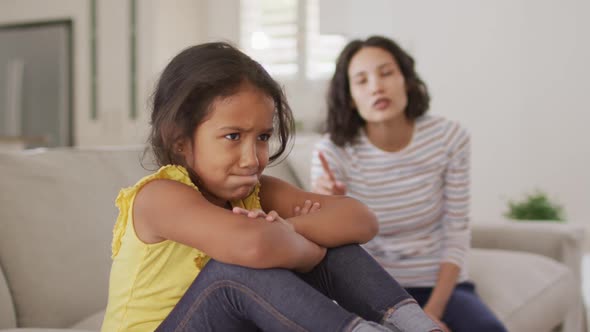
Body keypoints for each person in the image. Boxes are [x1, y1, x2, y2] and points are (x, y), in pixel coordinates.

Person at [100, 42, 441, 332]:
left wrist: (288, 229)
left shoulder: (255, 191)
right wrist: (309, 249)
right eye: (232, 137)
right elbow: (252, 247)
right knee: (233, 270)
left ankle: (418, 326)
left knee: (335, 244)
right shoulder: (160, 196)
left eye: (262, 137)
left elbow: (361, 220)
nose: (252, 158)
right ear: (179, 141)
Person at [311, 36, 508, 332]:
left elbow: (456, 233)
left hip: (439, 286)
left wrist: (431, 312)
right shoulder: (332, 152)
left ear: (407, 80)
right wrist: (327, 206)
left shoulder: (448, 138)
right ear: (350, 97)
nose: (376, 86)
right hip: (371, 290)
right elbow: (326, 248)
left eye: (386, 73)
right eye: (361, 81)